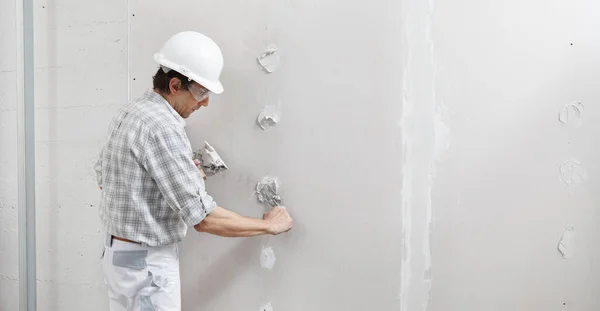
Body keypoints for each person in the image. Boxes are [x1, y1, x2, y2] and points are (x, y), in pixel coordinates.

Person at [93, 31, 293, 311]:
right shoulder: (164, 126)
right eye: (200, 92)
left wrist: (166, 184)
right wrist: (268, 225)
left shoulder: (131, 112)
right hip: (147, 266)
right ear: (175, 85)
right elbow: (204, 219)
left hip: (118, 258)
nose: (205, 102)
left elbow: (107, 179)